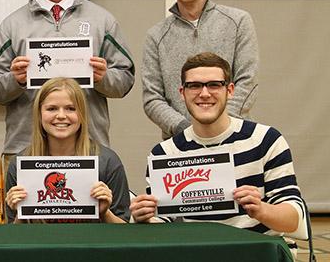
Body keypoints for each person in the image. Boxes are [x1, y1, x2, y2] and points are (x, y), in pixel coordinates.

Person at [0, 0, 134, 221]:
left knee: (91, 227)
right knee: (26, 231)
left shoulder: (102, 21)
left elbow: (125, 79)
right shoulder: (13, 25)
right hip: (25, 148)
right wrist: (15, 79)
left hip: (88, 147)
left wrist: (102, 78)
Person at [131, 52, 307, 252]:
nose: (204, 93)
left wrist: (261, 210)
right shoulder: (165, 153)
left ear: (230, 90)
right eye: (194, 85)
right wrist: (143, 218)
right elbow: (161, 227)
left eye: (214, 85)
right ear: (182, 92)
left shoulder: (265, 140)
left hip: (259, 252)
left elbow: (294, 221)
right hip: (199, 253)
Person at [143, 0, 259, 140]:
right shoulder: (155, 36)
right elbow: (152, 98)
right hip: (180, 144)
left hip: (235, 139)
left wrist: (221, 127)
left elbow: (248, 80)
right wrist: (187, 132)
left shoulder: (238, 22)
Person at [4, 78, 129, 223]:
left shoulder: (107, 161)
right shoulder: (19, 164)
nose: (61, 115)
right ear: (39, 114)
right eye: (52, 109)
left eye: (71, 108)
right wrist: (20, 215)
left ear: (82, 114)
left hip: (91, 244)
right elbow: (13, 236)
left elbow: (124, 230)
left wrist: (104, 213)